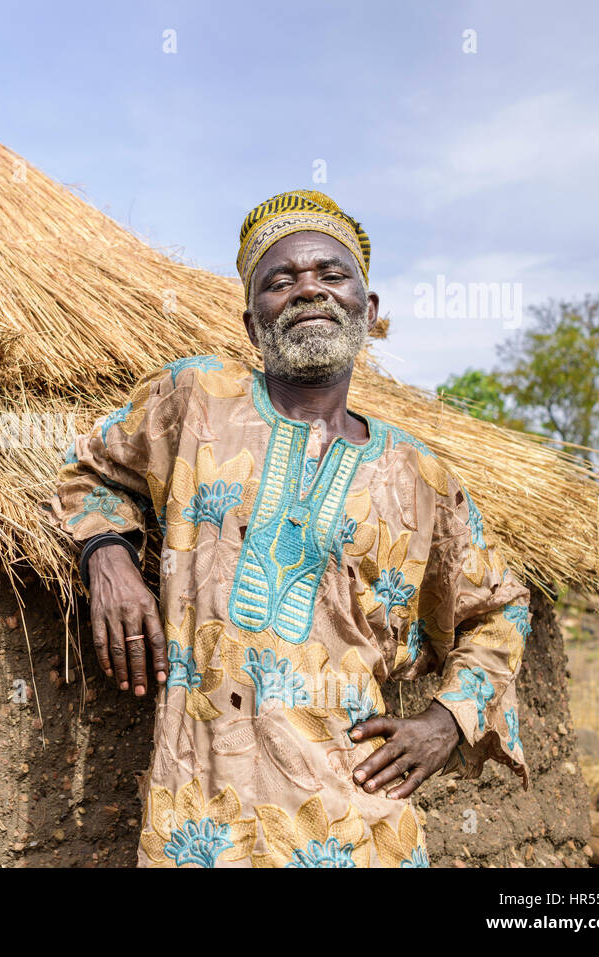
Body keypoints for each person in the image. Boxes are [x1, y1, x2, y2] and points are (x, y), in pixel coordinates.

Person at [45, 190, 531, 867]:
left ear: (370, 308)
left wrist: (447, 720)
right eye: (281, 279)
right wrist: (108, 556)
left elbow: (502, 606)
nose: (309, 289)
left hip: (357, 828)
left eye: (333, 274)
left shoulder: (421, 477)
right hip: (201, 830)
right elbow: (90, 468)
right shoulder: (197, 398)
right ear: (252, 321)